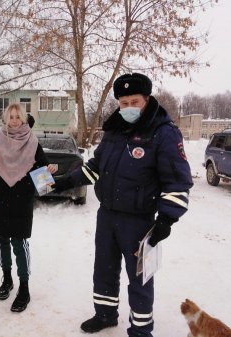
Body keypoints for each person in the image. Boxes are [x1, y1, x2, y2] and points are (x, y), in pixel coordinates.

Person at [53, 73, 193, 337]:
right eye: (124, 102)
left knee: (140, 278)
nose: (128, 108)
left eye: (135, 102)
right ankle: (105, 314)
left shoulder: (163, 132)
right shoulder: (114, 130)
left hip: (139, 221)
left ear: (147, 100)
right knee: (104, 269)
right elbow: (96, 168)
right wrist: (64, 182)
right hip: (107, 216)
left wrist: (166, 219)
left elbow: (177, 181)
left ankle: (141, 330)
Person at [0, 103, 57, 312]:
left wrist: (49, 171)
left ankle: (24, 287)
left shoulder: (32, 142)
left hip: (21, 201)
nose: (14, 120)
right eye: (10, 116)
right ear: (5, 119)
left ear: (23, 119)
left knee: (19, 243)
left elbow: (45, 180)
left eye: (18, 116)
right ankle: (7, 279)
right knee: (2, 241)